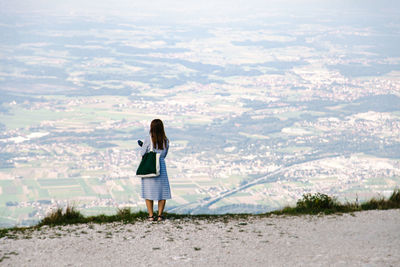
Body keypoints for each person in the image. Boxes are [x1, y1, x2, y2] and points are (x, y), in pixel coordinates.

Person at [138, 119, 171, 221]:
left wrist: (143, 146)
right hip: (161, 167)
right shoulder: (166, 140)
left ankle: (151, 216)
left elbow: (142, 153)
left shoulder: (148, 139)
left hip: (150, 167)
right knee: (162, 192)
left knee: (149, 192)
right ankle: (160, 215)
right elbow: (164, 155)